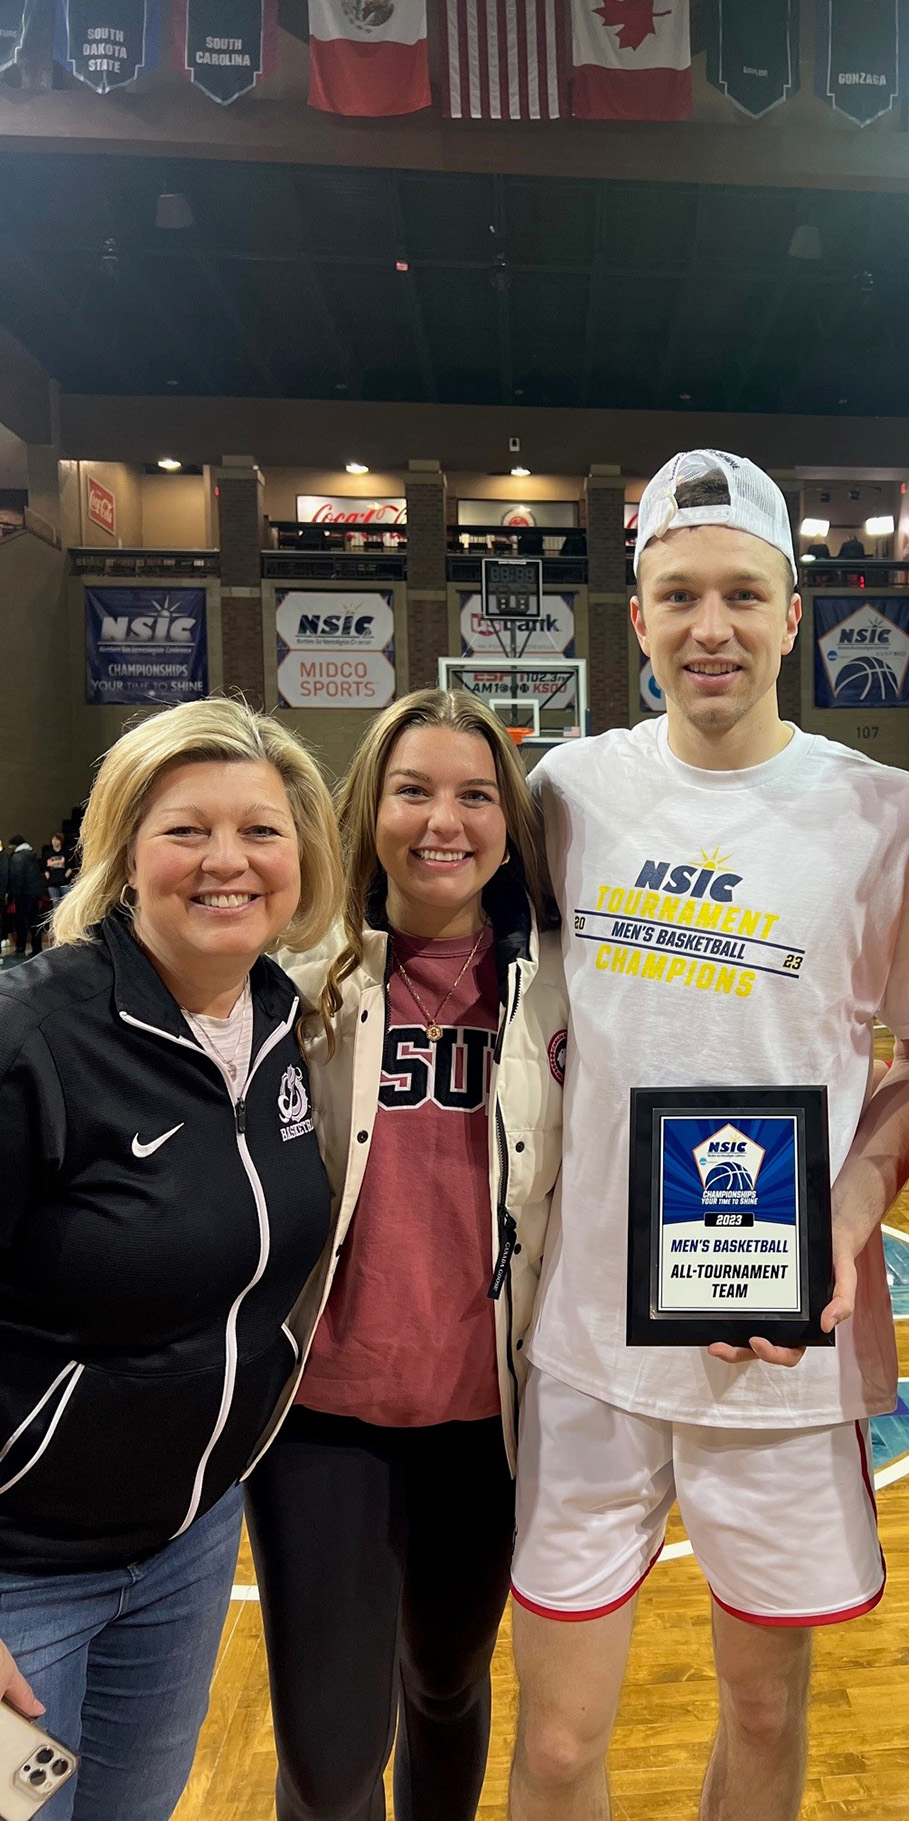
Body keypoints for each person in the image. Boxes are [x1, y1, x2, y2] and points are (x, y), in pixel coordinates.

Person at [508, 449, 909, 1821]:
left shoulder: (890, 817)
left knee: (763, 1707)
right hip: (590, 1342)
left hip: (776, 1348)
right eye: (681, 596)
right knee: (557, 1745)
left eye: (744, 596)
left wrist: (849, 1207)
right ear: (637, 619)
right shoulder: (565, 793)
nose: (712, 627)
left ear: (793, 615)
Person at [0, 696, 344, 1821]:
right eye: (186, 829)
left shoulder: (285, 1025)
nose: (226, 861)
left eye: (260, 830)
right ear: (124, 851)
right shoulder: (32, 1038)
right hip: (23, 1573)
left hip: (187, 1549)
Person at [247, 689, 567, 1821]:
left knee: (444, 1683)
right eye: (413, 790)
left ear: (510, 823)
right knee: (333, 1759)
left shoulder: (564, 982)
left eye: (476, 795)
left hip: (488, 1417)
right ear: (366, 809)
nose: (444, 820)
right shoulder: (289, 973)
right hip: (323, 1413)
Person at [8, 835, 43, 959]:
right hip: (35, 893)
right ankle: (37, 948)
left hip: (23, 895)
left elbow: (17, 877)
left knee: (21, 922)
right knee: (35, 922)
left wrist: (13, 895)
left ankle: (20, 949)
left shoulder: (17, 857)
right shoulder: (32, 855)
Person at [43, 832, 71, 909]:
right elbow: (45, 868)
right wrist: (48, 877)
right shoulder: (48, 853)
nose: (54, 841)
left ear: (61, 841)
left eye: (57, 840)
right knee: (55, 903)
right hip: (52, 883)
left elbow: (70, 867)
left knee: (66, 903)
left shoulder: (66, 852)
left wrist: (66, 876)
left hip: (64, 883)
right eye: (53, 839)